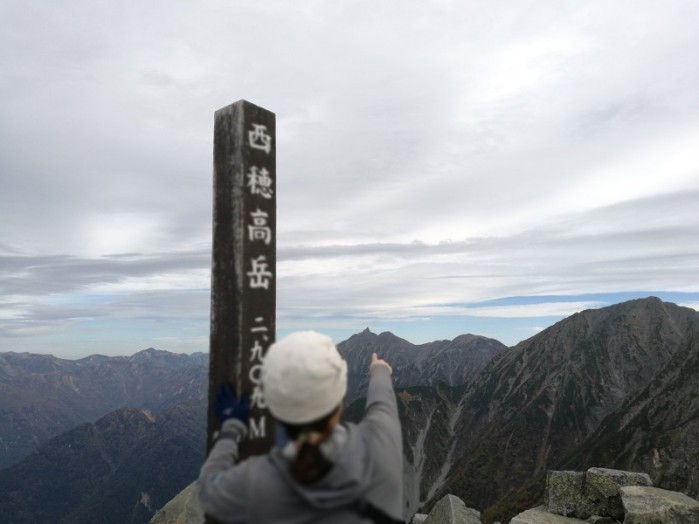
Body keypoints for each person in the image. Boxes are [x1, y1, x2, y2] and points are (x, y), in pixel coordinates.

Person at [198, 330, 404, 523]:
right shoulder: (381, 443)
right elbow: (381, 398)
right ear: (340, 401)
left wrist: (231, 427)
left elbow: (208, 488)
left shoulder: (254, 483)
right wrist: (379, 369)